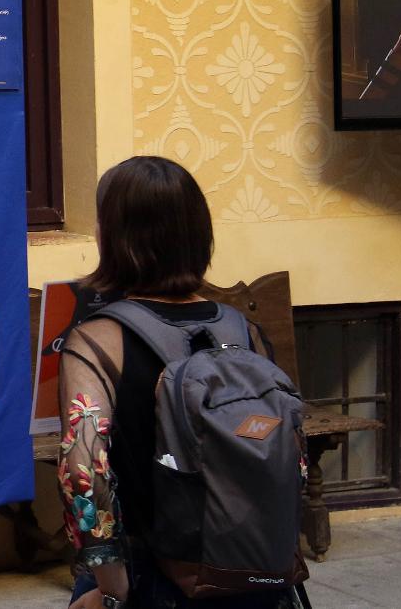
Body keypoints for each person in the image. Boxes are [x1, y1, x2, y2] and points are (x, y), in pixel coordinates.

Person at [58, 157, 296, 609]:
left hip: (152, 576)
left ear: (113, 236)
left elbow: (83, 472)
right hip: (252, 572)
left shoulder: (98, 341)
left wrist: (110, 590)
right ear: (198, 232)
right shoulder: (243, 331)